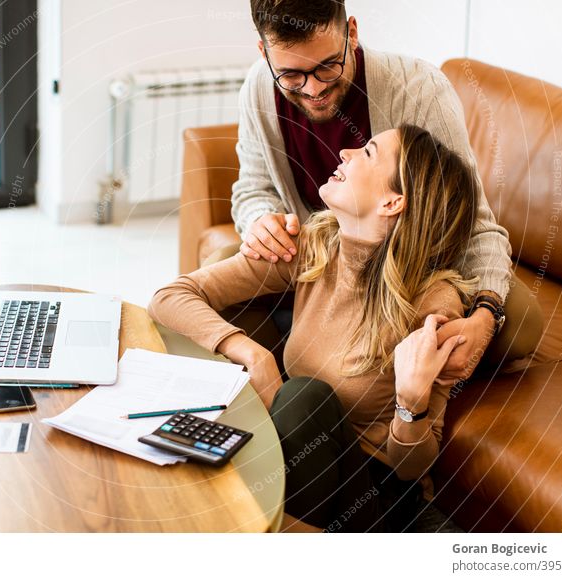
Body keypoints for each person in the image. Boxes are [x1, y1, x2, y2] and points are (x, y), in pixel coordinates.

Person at [150, 125, 478, 532]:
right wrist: (251, 352)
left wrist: (411, 403)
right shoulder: (313, 248)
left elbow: (412, 468)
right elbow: (170, 296)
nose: (345, 152)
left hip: (372, 495)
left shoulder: (433, 304)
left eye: (368, 152)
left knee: (305, 396)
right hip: (294, 456)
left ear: (394, 202)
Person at [222, 0, 542, 384]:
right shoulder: (258, 91)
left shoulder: (419, 89)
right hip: (318, 264)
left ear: (352, 33)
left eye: (328, 66)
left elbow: (473, 223)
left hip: (407, 275)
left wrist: (487, 313)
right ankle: (297, 387)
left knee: (519, 321)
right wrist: (262, 221)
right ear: (264, 53)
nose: (314, 89)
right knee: (224, 265)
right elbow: (252, 189)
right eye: (291, 75)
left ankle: (357, 367)